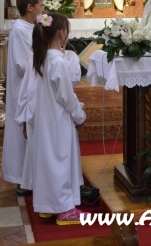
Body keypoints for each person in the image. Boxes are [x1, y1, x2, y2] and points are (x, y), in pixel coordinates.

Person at [18, 12, 87, 225]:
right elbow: (66, 96)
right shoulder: (57, 61)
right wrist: (80, 115)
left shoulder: (40, 58)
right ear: (61, 33)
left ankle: (48, 205)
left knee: (47, 161)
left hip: (41, 119)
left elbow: (29, 92)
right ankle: (64, 209)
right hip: (57, 121)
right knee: (60, 161)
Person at [1, 0, 45, 192]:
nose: (43, 10)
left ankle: (31, 177)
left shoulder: (31, 27)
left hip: (33, 85)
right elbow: (22, 63)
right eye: (41, 6)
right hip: (23, 89)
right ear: (30, 7)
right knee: (23, 131)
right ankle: (22, 177)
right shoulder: (19, 29)